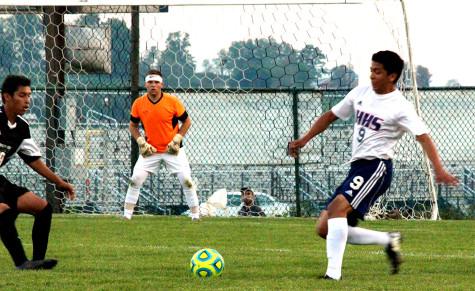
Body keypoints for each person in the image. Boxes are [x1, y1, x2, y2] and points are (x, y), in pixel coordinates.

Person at [288, 51, 459, 280]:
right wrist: (304, 139)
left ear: (392, 76)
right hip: (357, 168)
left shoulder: (400, 106)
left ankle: (332, 275)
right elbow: (330, 115)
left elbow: (424, 136)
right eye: (371, 70)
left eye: (377, 72)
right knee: (324, 228)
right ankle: (388, 240)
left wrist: (439, 169)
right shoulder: (361, 92)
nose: (372, 75)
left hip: (377, 168)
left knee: (338, 207)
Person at [0, 75, 75, 270]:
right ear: (6, 97)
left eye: (29, 95)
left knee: (42, 208)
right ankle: (21, 263)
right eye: (22, 95)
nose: (27, 100)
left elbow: (34, 160)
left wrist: (59, 181)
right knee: (4, 212)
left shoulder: (22, 128)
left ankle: (36, 262)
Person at [123, 69, 200, 221]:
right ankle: (126, 216)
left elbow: (187, 121)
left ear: (161, 84)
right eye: (150, 82)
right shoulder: (138, 103)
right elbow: (132, 126)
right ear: (145, 84)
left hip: (172, 150)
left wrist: (177, 138)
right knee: (136, 179)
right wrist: (141, 142)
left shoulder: (172, 101)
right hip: (150, 150)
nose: (153, 85)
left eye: (156, 82)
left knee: (186, 180)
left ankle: (196, 216)